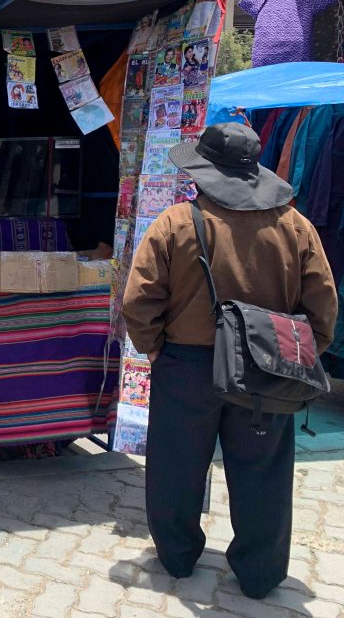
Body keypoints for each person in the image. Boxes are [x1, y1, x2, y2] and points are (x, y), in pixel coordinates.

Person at [122, 123, 337, 600]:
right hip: (268, 366)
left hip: (187, 367)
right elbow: (323, 307)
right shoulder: (295, 226)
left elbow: (139, 300)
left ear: (203, 172)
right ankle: (260, 575)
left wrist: (155, 348)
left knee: (177, 465)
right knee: (264, 472)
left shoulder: (176, 223)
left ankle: (177, 557)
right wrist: (296, 357)